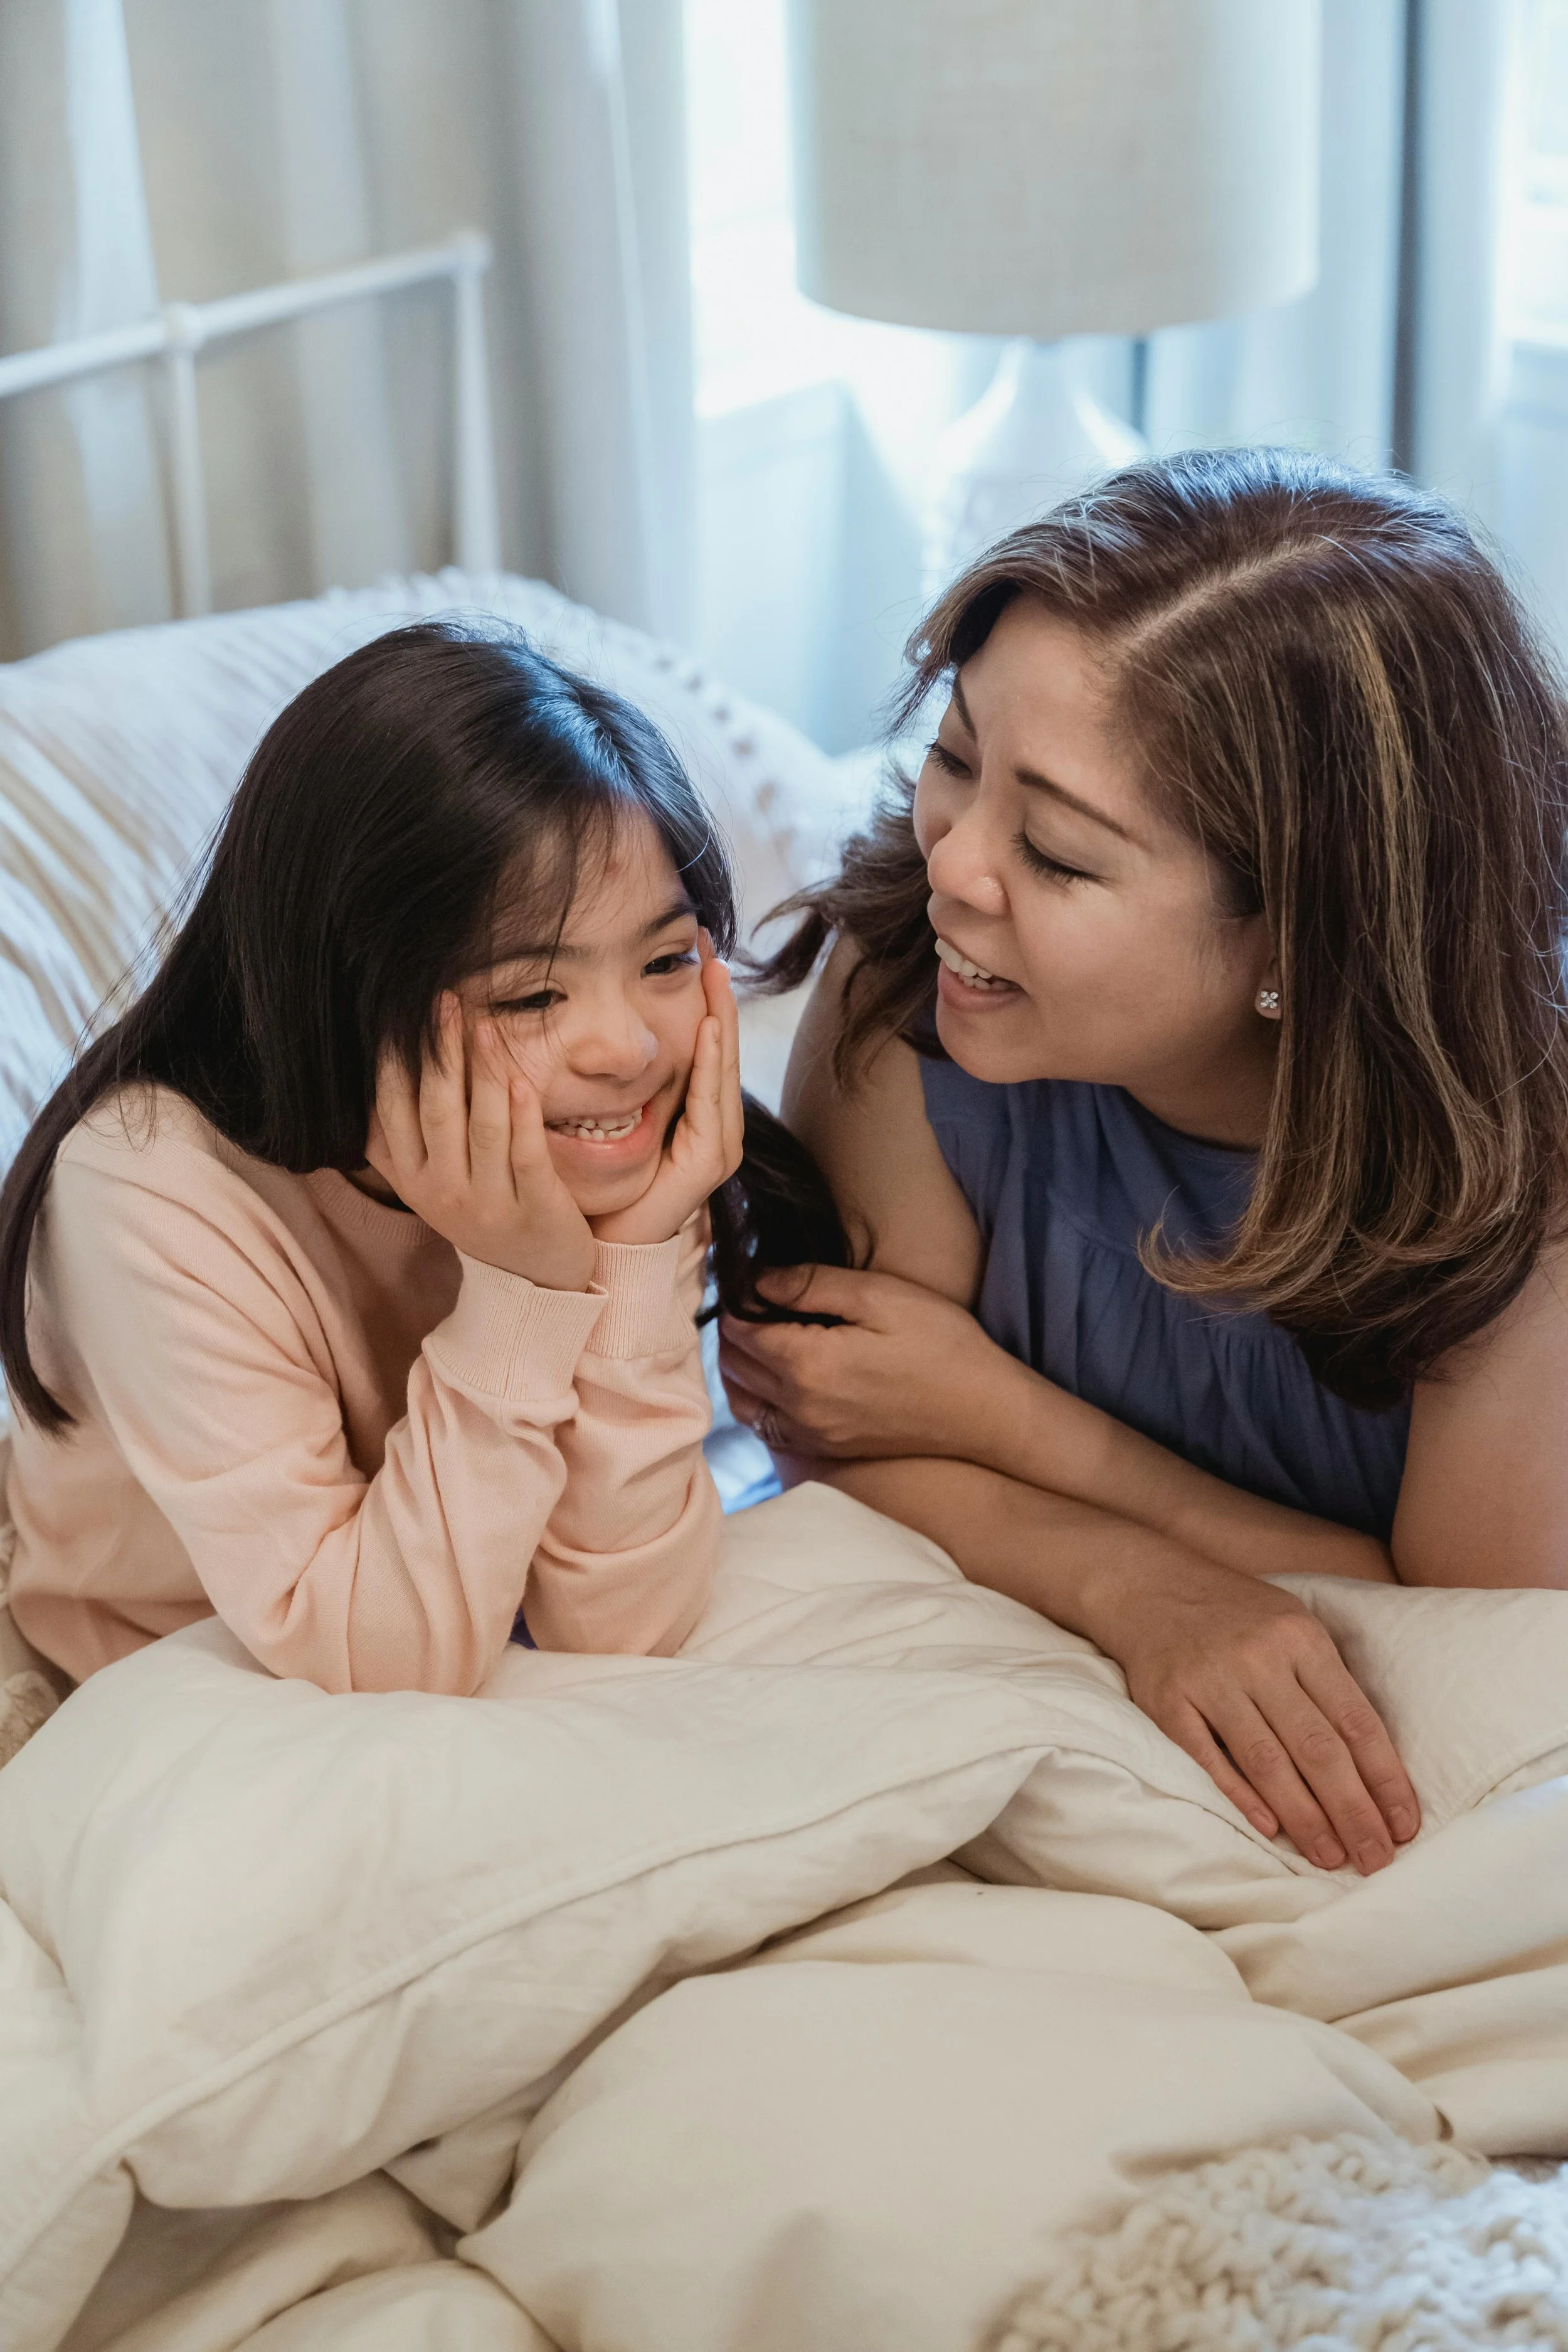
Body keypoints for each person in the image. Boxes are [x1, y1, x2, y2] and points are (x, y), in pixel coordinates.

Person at [720, 448, 1568, 1878]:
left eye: (1054, 854)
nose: (951, 865)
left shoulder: (1516, 1161)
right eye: (952, 760)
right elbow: (839, 1429)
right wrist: (1135, 1584)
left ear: (1298, 940)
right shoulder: (909, 982)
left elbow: (1471, 1628)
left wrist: (1005, 1419)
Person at [0, 622, 765, 1695]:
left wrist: (635, 1256)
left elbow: (627, 1623)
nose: (629, 1047)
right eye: (534, 993)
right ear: (348, 989)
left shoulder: (610, 1138)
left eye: (668, 958)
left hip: (459, 1645)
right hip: (170, 1678)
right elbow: (374, 1662)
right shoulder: (147, 1190)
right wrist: (520, 1289)